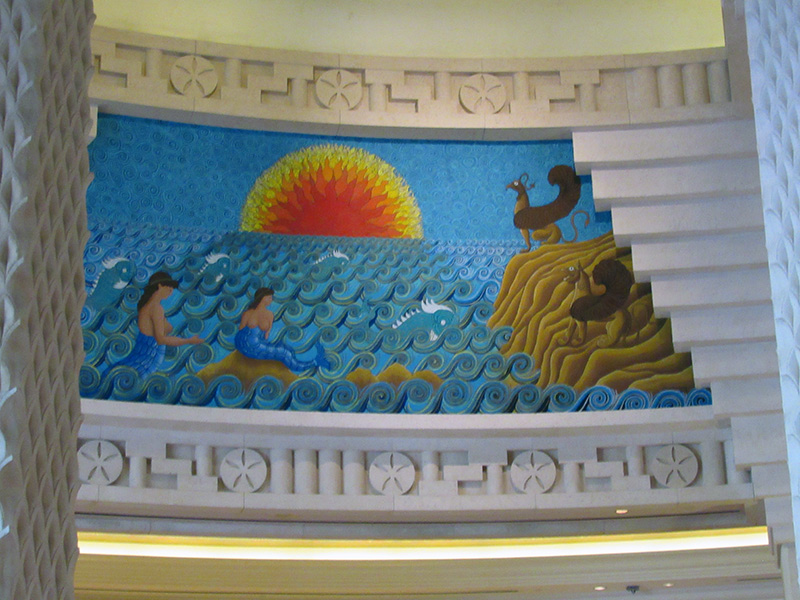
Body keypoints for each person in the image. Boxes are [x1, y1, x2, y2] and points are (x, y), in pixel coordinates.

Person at [112, 271, 203, 377]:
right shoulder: (156, 308)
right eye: (169, 287)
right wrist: (189, 341)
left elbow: (164, 329)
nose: (171, 292)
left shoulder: (148, 306)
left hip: (145, 356)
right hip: (147, 359)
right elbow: (161, 339)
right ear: (160, 286)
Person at [234, 287, 330, 371]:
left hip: (258, 344)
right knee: (285, 353)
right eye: (269, 297)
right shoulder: (248, 313)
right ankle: (315, 362)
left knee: (288, 349)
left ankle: (314, 362)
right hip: (246, 345)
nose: (271, 300)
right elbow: (241, 329)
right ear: (263, 298)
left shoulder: (269, 315)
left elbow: (266, 335)